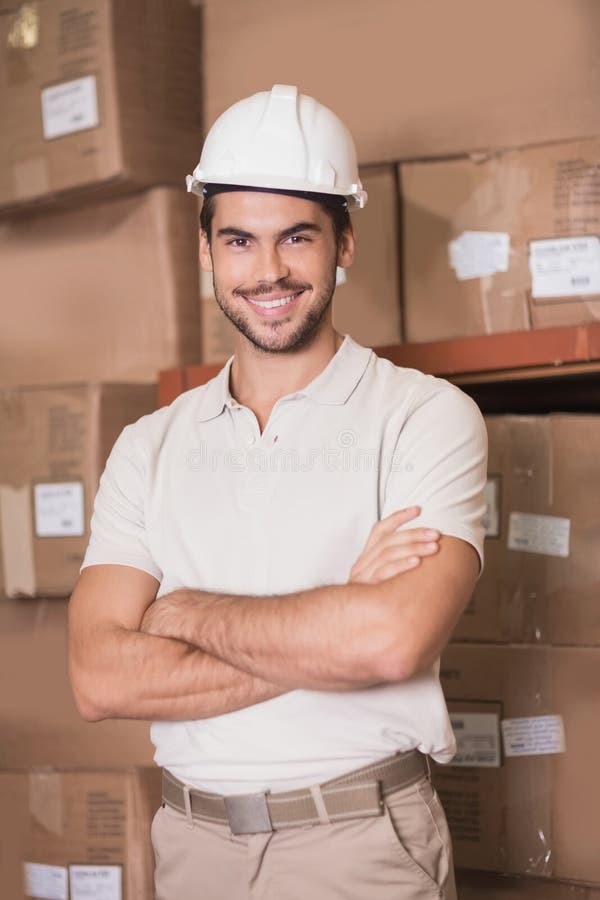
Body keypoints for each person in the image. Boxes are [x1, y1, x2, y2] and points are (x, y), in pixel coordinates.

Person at [69, 84, 487, 900]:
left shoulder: (424, 417)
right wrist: (333, 612)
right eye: (239, 241)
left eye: (297, 237)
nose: (267, 272)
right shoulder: (148, 447)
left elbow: (388, 644)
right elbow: (99, 678)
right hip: (190, 849)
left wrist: (183, 612)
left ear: (345, 243)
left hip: (358, 845)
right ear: (206, 252)